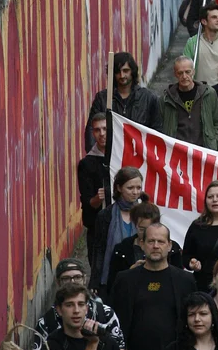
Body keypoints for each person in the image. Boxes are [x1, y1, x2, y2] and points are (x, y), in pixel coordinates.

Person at [29, 258, 124, 350]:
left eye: (77, 277)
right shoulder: (48, 327)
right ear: (58, 282)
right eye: (66, 278)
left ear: (85, 278)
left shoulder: (105, 314)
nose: (76, 311)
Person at [85, 52, 162, 151]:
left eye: (126, 71)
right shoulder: (102, 98)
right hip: (110, 157)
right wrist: (94, 156)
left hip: (139, 157)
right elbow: (91, 129)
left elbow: (157, 132)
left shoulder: (149, 98)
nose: (122, 75)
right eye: (118, 72)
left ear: (132, 71)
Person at [89, 166, 144, 296]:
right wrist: (95, 281)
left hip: (140, 278)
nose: (135, 192)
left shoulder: (145, 213)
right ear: (119, 188)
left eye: (138, 188)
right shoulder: (106, 215)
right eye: (130, 188)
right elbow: (99, 249)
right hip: (112, 278)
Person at [107, 201, 183, 293]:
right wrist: (130, 271)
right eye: (142, 229)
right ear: (135, 225)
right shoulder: (122, 249)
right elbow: (113, 283)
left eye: (150, 228)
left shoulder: (173, 248)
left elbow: (179, 280)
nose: (146, 233)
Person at [183, 182, 218, 293]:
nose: (214, 200)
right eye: (210, 197)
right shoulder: (197, 226)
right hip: (203, 287)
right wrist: (191, 263)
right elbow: (185, 256)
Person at [159, 57, 218, 149]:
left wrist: (213, 141)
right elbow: (159, 125)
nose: (184, 76)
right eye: (180, 73)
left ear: (193, 72)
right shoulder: (166, 98)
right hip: (176, 152)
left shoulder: (208, 93)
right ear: (175, 74)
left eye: (188, 72)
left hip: (203, 151)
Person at [78, 112, 111, 260]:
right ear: (93, 133)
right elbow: (87, 201)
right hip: (97, 228)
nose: (102, 134)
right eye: (97, 130)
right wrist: (98, 198)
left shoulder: (123, 156)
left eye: (105, 128)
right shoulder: (86, 164)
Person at [183, 4, 218, 86]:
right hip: (200, 92)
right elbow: (184, 69)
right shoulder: (193, 43)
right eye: (214, 17)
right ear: (204, 21)